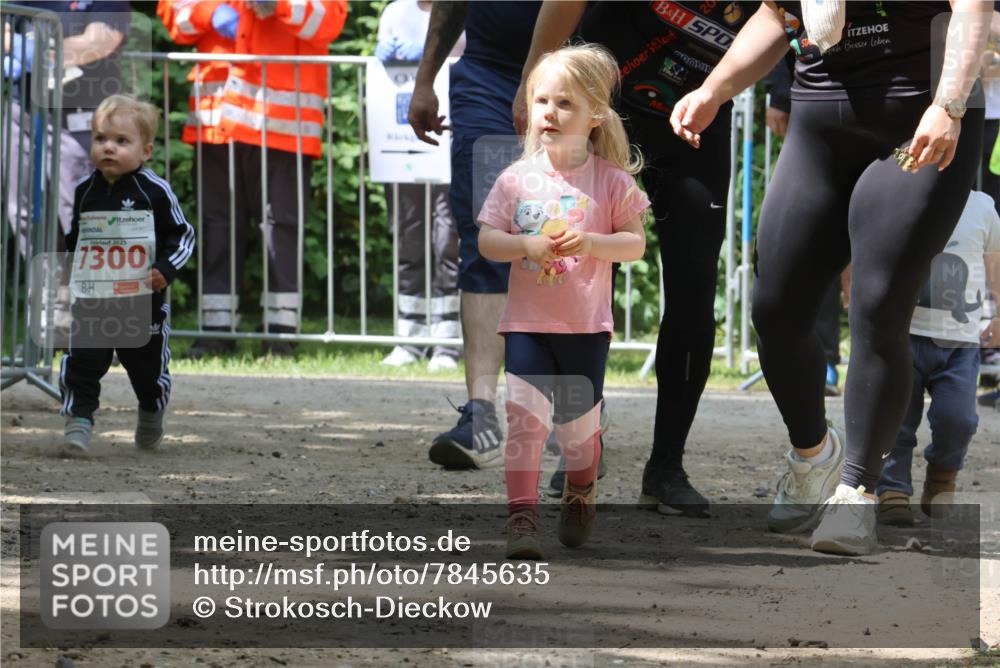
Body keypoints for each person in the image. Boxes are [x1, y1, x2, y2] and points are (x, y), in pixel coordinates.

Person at [670, 0, 988, 555]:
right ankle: (815, 454)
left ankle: (857, 492)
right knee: (774, 308)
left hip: (922, 117)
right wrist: (713, 90)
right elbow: (775, 17)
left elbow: (971, 9)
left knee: (878, 304)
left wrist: (950, 103)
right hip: (821, 119)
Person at [514, 0, 759, 512]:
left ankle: (666, 466)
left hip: (698, 114)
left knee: (694, 288)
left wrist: (716, 93)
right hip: (601, 102)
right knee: (568, 272)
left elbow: (780, 26)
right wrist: (533, 79)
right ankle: (579, 442)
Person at [478, 44, 649, 559]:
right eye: (541, 100)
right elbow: (488, 240)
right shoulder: (514, 179)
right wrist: (524, 245)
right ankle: (523, 518)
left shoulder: (612, 181)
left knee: (577, 436)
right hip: (527, 324)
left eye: (565, 103)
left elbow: (635, 244)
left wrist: (596, 243)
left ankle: (581, 485)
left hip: (585, 329)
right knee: (526, 422)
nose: (548, 113)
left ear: (596, 113)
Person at [159, 0, 347, 358]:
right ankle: (214, 331)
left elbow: (329, 22)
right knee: (217, 225)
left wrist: (279, 4)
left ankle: (280, 333)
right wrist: (210, 12)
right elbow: (174, 15)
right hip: (216, 121)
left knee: (281, 227)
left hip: (280, 123)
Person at [409, 1, 543, 469]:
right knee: (487, 238)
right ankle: (480, 416)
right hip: (487, 79)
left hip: (572, 79)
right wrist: (425, 78)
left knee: (563, 245)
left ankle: (578, 413)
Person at [59, 94, 195, 454]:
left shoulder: (155, 191)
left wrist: (165, 269)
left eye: (122, 142)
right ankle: (79, 420)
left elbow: (183, 235)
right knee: (82, 363)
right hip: (93, 302)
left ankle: (151, 410)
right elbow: (76, 241)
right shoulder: (84, 191)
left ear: (145, 150)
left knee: (146, 373)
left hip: (141, 305)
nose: (109, 148)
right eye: (101, 138)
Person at [4, 1, 130, 332]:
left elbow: (99, 42)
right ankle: (55, 309)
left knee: (84, 214)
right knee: (24, 213)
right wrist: (15, 47)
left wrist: (36, 51)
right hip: (23, 111)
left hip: (78, 116)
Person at [877, 190, 1000, 526]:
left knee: (958, 419)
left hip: (960, 342)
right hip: (905, 332)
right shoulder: (899, 195)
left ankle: (943, 475)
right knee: (898, 419)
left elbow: (996, 264)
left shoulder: (981, 207)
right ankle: (892, 489)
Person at [375, 0, 463, 371]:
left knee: (448, 238)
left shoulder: (463, 7)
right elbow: (381, 74)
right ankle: (408, 337)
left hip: (449, 137)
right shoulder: (395, 12)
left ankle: (448, 340)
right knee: (408, 234)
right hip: (404, 144)